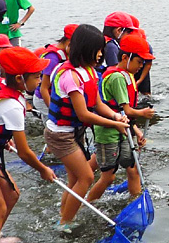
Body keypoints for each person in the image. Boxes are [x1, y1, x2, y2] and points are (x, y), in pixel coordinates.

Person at [43, 24, 129, 232]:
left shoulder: (89, 71)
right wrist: (115, 124)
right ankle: (64, 223)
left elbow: (98, 104)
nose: (101, 54)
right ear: (85, 49)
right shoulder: (70, 76)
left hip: (74, 132)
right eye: (97, 50)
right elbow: (83, 114)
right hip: (60, 135)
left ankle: (64, 214)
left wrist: (116, 115)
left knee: (75, 178)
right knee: (87, 177)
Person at [0, 47, 57, 243]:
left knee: (11, 195)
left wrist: (2, 138)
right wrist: (43, 169)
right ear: (20, 79)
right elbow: (24, 152)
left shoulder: (5, 88)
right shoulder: (11, 105)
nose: (40, 81)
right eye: (37, 76)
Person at [88, 35, 155, 202]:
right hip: (108, 131)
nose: (141, 66)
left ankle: (136, 200)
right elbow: (127, 110)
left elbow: (125, 115)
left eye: (143, 63)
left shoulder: (128, 75)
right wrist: (143, 113)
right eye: (139, 62)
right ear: (125, 57)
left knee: (133, 168)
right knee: (108, 176)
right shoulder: (118, 77)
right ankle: (85, 203)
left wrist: (137, 132)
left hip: (123, 129)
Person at [32, 24, 78, 123]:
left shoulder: (64, 52)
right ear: (69, 42)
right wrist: (53, 110)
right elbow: (44, 88)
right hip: (43, 98)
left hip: (54, 95)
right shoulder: (53, 58)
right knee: (52, 122)